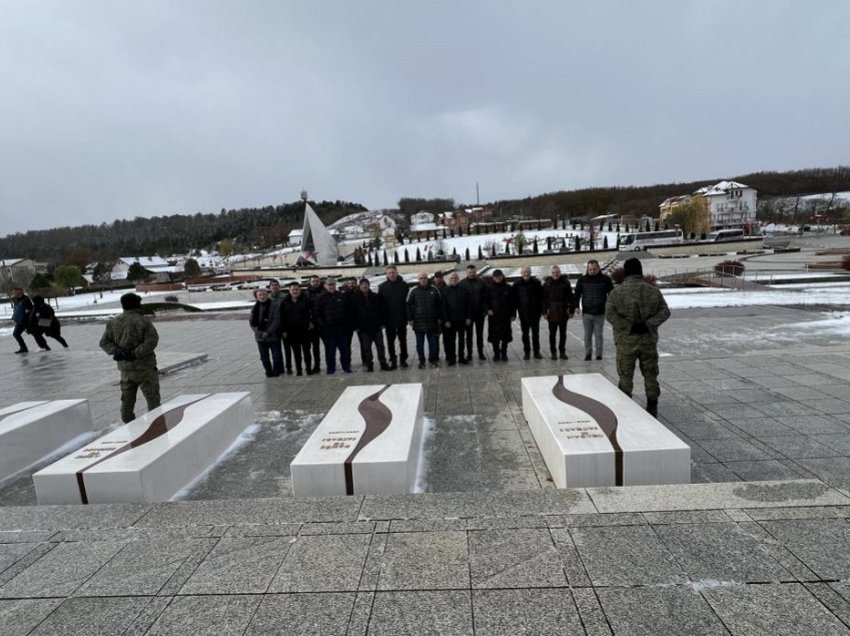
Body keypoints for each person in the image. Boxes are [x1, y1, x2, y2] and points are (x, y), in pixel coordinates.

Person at [605, 258, 671, 417]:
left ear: (626, 272)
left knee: (625, 376)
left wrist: (628, 326)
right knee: (650, 374)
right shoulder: (653, 291)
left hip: (626, 342)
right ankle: (652, 406)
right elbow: (665, 312)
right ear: (640, 271)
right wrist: (648, 324)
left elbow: (609, 314)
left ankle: (626, 408)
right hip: (647, 341)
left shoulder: (616, 293)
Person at [99, 292, 161, 423]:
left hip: (125, 369)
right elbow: (152, 340)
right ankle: (156, 427)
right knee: (153, 400)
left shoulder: (113, 322)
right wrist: (135, 353)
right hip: (145, 368)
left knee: (127, 402)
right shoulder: (142, 321)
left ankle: (130, 427)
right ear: (136, 305)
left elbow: (104, 342)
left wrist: (118, 353)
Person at [574, 259, 614, 361]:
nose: (592, 271)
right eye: (590, 269)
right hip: (587, 312)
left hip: (600, 312)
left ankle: (599, 354)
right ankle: (588, 353)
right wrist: (576, 306)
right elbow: (577, 294)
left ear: (598, 268)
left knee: (598, 335)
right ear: (587, 269)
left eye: (594, 269)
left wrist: (611, 306)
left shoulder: (605, 280)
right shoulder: (582, 280)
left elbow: (612, 294)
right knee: (587, 335)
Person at [313, 278, 352, 374]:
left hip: (342, 329)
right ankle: (331, 369)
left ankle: (346, 367)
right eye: (329, 285)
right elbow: (317, 314)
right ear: (325, 286)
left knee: (344, 350)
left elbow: (348, 311)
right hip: (328, 331)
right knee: (330, 351)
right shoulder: (320, 298)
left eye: (333, 284)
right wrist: (323, 325)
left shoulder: (342, 296)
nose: (331, 286)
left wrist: (347, 325)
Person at [351, 278, 391, 372]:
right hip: (363, 329)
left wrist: (383, 323)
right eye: (362, 284)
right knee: (367, 348)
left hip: (376, 327)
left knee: (380, 347)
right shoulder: (354, 298)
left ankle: (383, 363)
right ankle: (369, 365)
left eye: (366, 284)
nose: (364, 286)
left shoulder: (375, 296)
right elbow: (352, 313)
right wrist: (355, 326)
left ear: (369, 285)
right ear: (359, 286)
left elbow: (382, 311)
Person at [407, 272, 443, 368]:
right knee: (420, 344)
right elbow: (408, 305)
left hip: (432, 322)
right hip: (418, 322)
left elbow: (439, 305)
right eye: (421, 278)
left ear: (428, 279)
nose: (423, 279)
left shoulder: (434, 289)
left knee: (433, 343)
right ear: (418, 279)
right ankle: (421, 361)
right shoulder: (413, 290)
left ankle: (432, 360)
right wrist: (410, 318)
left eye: (425, 278)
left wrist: (439, 317)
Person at [378, 265, 410, 369]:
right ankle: (393, 360)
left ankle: (403, 359)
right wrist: (382, 320)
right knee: (390, 342)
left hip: (401, 318)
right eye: (389, 273)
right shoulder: (382, 287)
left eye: (393, 272)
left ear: (397, 273)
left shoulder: (404, 285)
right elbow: (380, 305)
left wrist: (408, 317)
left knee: (403, 341)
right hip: (389, 320)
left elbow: (408, 303)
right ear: (387, 274)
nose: (392, 274)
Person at [280, 281, 313, 375]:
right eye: (293, 289)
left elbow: (313, 312)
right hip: (292, 332)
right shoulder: (285, 302)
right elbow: (282, 317)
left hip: (305, 330)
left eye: (297, 289)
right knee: (296, 352)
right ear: (289, 291)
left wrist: (311, 322)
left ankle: (308, 369)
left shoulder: (306, 300)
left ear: (300, 290)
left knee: (307, 351)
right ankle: (299, 370)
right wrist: (284, 330)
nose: (295, 291)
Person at [249, 288, 283, 378]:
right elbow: (252, 322)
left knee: (276, 355)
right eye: (260, 295)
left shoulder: (274, 305)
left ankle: (276, 371)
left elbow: (276, 320)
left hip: (273, 336)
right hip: (260, 337)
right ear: (257, 297)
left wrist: (268, 331)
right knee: (264, 357)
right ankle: (268, 371)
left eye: (263, 294)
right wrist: (258, 332)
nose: (262, 297)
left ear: (267, 295)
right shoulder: (255, 307)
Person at [542, 265, 574, 360]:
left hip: (563, 311)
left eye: (557, 272)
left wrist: (571, 310)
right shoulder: (546, 284)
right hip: (551, 311)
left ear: (559, 272)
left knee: (563, 334)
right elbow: (543, 299)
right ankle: (553, 352)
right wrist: (544, 311)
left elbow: (570, 297)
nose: (555, 274)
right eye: (553, 272)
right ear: (550, 273)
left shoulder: (565, 283)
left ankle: (562, 351)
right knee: (552, 334)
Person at [512, 265, 543, 360]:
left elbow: (541, 298)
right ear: (521, 273)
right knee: (525, 334)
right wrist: (514, 313)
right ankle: (527, 352)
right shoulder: (517, 284)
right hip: (523, 313)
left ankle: (537, 352)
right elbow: (514, 300)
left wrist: (541, 311)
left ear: (530, 272)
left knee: (535, 334)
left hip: (535, 313)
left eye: (528, 272)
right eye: (524, 272)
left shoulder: (536, 283)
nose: (526, 273)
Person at [459, 264, 489, 361]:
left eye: (473, 272)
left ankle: (480, 353)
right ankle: (469, 354)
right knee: (469, 335)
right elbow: (461, 300)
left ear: (476, 272)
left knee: (480, 334)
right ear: (466, 273)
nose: (472, 274)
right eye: (470, 272)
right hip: (468, 315)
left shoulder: (482, 282)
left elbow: (486, 297)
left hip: (480, 313)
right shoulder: (462, 284)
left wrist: (485, 310)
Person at [441, 271, 471, 365]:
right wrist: (445, 320)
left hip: (462, 319)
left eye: (455, 278)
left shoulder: (464, 290)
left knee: (462, 340)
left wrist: (468, 318)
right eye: (452, 278)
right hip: (450, 320)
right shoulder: (445, 291)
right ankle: (452, 358)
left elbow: (469, 305)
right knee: (451, 340)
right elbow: (443, 307)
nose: (454, 279)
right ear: (449, 280)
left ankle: (461, 357)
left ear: (458, 279)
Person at [486, 269, 516, 361]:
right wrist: (487, 310)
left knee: (505, 336)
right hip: (494, 316)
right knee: (495, 337)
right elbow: (485, 301)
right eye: (495, 277)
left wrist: (513, 314)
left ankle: (504, 353)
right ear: (493, 278)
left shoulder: (508, 288)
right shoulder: (489, 288)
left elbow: (512, 303)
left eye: (499, 277)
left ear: (502, 277)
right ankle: (496, 354)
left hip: (505, 316)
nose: (497, 278)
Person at [267, 279, 292, 374]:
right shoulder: (268, 298)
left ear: (279, 286)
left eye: (276, 285)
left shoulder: (285, 297)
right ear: (269, 287)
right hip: (274, 328)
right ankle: (279, 368)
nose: (274, 287)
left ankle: (288, 367)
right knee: (276, 350)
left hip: (284, 326)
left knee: (287, 348)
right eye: (272, 285)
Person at [304, 275, 324, 374]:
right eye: (313, 281)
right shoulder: (306, 294)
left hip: (323, 323)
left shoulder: (324, 292)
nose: (315, 283)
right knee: (311, 347)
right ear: (310, 282)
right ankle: (312, 366)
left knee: (324, 347)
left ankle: (320, 365)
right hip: (311, 325)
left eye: (317, 281)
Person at [10, 287, 34, 354]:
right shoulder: (17, 300)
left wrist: (28, 314)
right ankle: (24, 348)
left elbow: (31, 310)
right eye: (15, 292)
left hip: (24, 320)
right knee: (17, 334)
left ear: (21, 292)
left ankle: (24, 348)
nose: (15, 294)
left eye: (17, 293)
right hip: (20, 320)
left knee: (16, 334)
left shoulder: (25, 300)